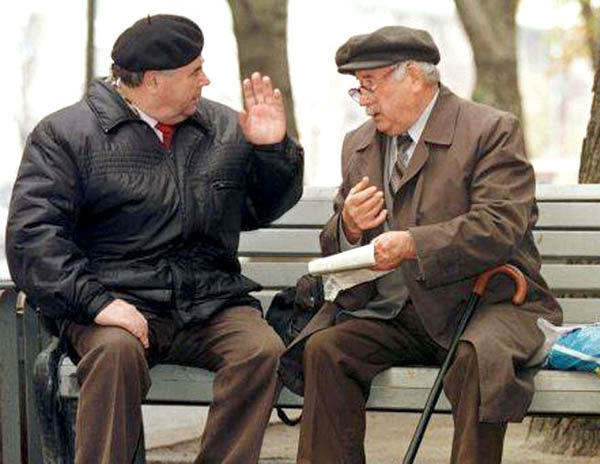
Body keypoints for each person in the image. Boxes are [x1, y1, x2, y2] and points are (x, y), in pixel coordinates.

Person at [6, 14, 303, 464]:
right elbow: (33, 238)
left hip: (208, 302)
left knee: (260, 351)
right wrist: (97, 303)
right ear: (152, 81)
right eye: (194, 71)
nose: (206, 80)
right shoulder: (65, 135)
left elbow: (258, 209)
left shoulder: (224, 127)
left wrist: (272, 151)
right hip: (111, 301)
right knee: (114, 355)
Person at [279, 26, 561, 464]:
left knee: (477, 359)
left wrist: (414, 244)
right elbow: (337, 246)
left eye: (369, 85)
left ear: (413, 77)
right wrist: (349, 226)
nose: (363, 100)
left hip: (485, 303)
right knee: (326, 349)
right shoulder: (359, 144)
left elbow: (500, 225)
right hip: (396, 312)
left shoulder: (490, 130)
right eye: (358, 89)